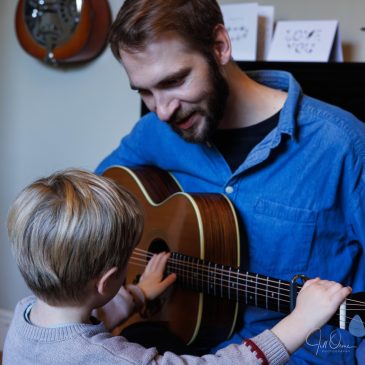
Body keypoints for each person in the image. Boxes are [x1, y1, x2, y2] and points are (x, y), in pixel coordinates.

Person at [95, 0, 365, 363]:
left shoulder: (344, 146)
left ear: (220, 46)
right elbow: (91, 209)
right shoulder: (153, 135)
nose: (161, 110)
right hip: (181, 346)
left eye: (173, 81)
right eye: (143, 91)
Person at [3, 169, 352, 365]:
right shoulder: (113, 358)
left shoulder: (26, 315)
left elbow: (84, 321)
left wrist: (138, 293)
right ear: (107, 280)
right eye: (128, 257)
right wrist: (299, 322)